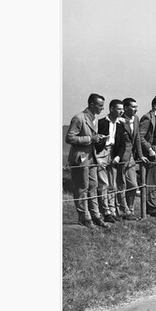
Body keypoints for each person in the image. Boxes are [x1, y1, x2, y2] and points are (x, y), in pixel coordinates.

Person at [65, 93, 109, 229]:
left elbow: (89, 136)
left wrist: (97, 137)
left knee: (93, 187)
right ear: (91, 104)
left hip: (91, 158)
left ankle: (95, 216)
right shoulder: (79, 118)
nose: (102, 108)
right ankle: (84, 218)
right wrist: (90, 139)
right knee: (82, 188)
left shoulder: (93, 119)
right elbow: (70, 138)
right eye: (100, 105)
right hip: (81, 159)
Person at [112, 97, 149, 221]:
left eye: (136, 107)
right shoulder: (120, 120)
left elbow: (137, 137)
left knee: (133, 184)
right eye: (133, 107)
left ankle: (130, 209)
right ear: (126, 108)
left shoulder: (136, 119)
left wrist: (140, 154)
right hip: (120, 156)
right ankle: (122, 211)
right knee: (120, 185)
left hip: (131, 156)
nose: (136, 109)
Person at [94, 99, 123, 223]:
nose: (121, 111)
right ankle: (105, 211)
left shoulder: (121, 125)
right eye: (119, 109)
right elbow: (95, 140)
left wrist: (118, 156)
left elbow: (122, 144)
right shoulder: (100, 123)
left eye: (122, 109)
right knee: (103, 183)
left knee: (113, 184)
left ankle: (112, 211)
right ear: (111, 109)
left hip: (113, 154)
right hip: (101, 153)